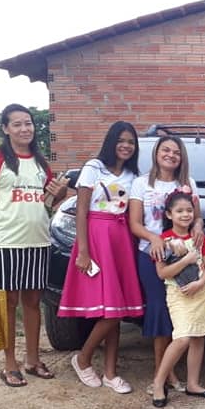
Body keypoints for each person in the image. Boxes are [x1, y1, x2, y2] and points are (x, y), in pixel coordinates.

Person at [0, 104, 67, 387]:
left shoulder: (40, 162)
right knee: (8, 303)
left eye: (28, 123)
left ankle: (33, 359)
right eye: (17, 124)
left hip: (38, 241)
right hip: (5, 242)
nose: (24, 129)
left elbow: (48, 203)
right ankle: (9, 363)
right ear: (5, 128)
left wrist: (59, 193)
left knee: (33, 302)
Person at [60, 121, 143, 394]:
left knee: (115, 310)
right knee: (108, 309)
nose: (126, 145)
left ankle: (110, 373)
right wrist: (83, 250)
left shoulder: (134, 175)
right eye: (121, 140)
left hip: (122, 241)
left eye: (131, 141)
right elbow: (81, 211)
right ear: (111, 141)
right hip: (96, 239)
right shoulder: (93, 168)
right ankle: (83, 358)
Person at [129, 135, 202, 395]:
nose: (171, 155)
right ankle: (163, 373)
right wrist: (154, 238)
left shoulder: (187, 183)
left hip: (185, 256)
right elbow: (135, 223)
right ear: (157, 153)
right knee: (160, 311)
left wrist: (199, 227)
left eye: (176, 151)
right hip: (153, 255)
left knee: (180, 311)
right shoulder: (141, 183)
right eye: (165, 150)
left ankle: (171, 370)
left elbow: (196, 217)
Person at [150, 191, 205, 407]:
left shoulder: (199, 238)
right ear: (169, 214)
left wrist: (200, 283)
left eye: (189, 210)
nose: (185, 215)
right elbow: (162, 273)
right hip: (178, 295)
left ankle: (193, 383)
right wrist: (186, 260)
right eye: (179, 211)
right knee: (182, 338)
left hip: (200, 293)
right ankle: (159, 383)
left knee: (199, 336)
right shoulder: (164, 241)